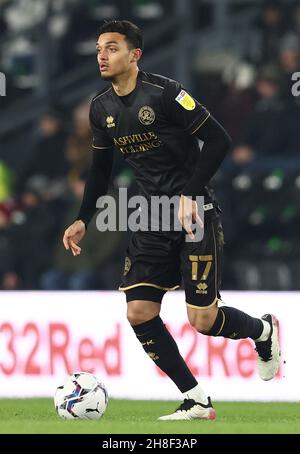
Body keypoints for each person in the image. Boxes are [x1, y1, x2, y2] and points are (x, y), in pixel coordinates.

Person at [62, 20, 280, 421]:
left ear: (134, 54)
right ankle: (196, 399)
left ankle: (263, 331)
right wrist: (83, 219)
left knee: (203, 320)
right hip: (150, 217)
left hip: (194, 213)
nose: (102, 56)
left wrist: (189, 193)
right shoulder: (101, 108)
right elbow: (100, 171)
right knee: (139, 312)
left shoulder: (166, 94)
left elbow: (219, 140)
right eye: (97, 49)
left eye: (111, 48)